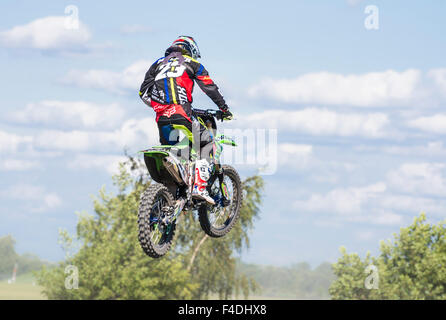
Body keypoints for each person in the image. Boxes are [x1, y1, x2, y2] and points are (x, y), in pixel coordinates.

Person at [139, 36, 232, 205]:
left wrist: (161, 105)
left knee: (180, 151)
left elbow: (143, 93)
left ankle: (172, 199)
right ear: (191, 50)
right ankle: (199, 188)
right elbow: (209, 87)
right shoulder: (192, 63)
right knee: (206, 143)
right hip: (182, 115)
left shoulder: (157, 63)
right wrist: (224, 109)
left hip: (162, 119)